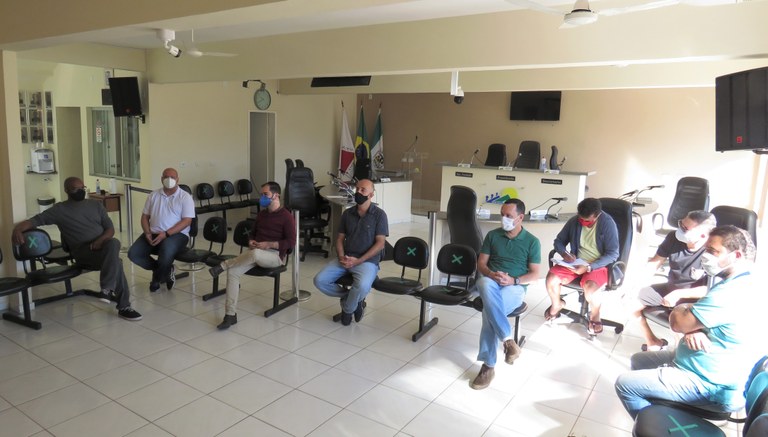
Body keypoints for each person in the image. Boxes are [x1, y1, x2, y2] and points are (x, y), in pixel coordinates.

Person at [615, 225, 762, 419]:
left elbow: (678, 323)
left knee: (625, 384)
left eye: (713, 251)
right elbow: (691, 318)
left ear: (736, 256)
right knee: (639, 360)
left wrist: (685, 315)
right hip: (699, 362)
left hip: (710, 385)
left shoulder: (731, 293)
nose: (706, 256)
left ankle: (659, 425)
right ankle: (659, 408)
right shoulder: (741, 280)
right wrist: (693, 327)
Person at [11, 177, 142, 321]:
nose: (80, 191)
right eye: (75, 189)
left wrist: (99, 241)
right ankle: (123, 306)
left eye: (82, 188)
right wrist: (17, 229)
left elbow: (110, 229)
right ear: (66, 190)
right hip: (83, 254)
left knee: (114, 243)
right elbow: (33, 221)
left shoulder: (96, 205)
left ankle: (107, 289)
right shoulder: (59, 210)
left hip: (103, 249)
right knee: (116, 261)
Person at [471, 199, 541, 390]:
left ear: (520, 217)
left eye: (509, 216)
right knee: (483, 282)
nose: (504, 219)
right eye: (502, 214)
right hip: (492, 283)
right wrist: (490, 274)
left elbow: (535, 275)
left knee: (489, 312)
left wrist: (513, 280)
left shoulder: (532, 242)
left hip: (515, 287)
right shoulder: (493, 235)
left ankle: (488, 366)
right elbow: (481, 264)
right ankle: (509, 341)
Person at [209, 181, 296, 330]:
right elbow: (252, 234)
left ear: (276, 195)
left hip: (274, 257)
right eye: (261, 194)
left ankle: (223, 265)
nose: (262, 197)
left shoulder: (286, 216)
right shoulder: (262, 214)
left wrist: (269, 244)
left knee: (253, 254)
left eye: (265, 194)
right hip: (256, 254)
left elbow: (291, 242)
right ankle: (230, 315)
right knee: (233, 272)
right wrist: (251, 241)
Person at [631, 210, 716, 351]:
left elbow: (709, 289)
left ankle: (676, 354)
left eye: (685, 228)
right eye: (681, 224)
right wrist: (636, 286)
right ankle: (652, 341)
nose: (680, 229)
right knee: (629, 302)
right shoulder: (673, 238)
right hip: (670, 288)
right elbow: (654, 262)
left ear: (702, 235)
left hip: (693, 299)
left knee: (680, 326)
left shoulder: (711, 253)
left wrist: (678, 294)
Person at [313, 179, 388, 326]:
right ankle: (352, 299)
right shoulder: (347, 214)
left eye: (363, 190)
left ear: (371, 195)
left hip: (367, 261)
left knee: (362, 286)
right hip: (345, 258)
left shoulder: (379, 215)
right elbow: (340, 239)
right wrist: (342, 257)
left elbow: (380, 243)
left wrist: (358, 261)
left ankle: (347, 309)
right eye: (357, 189)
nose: (358, 192)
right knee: (319, 280)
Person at [544, 197, 619, 334]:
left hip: (598, 265)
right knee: (551, 278)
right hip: (576, 262)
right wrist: (565, 254)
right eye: (581, 219)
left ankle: (595, 315)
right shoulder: (575, 221)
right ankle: (557, 305)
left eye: (587, 220)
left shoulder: (608, 224)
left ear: (597, 215)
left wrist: (589, 267)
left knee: (591, 289)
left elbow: (613, 254)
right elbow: (559, 241)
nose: (583, 222)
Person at [128, 168, 195, 292]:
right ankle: (166, 269)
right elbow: (144, 217)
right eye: (166, 176)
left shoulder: (185, 197)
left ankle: (157, 279)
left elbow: (187, 221)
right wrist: (147, 232)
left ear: (178, 179)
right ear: (161, 179)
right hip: (153, 232)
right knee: (133, 254)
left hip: (177, 235)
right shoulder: (153, 195)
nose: (169, 179)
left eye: (172, 177)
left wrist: (166, 234)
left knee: (166, 250)